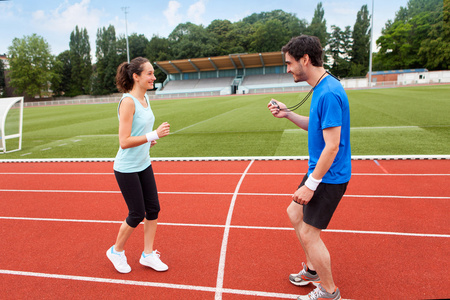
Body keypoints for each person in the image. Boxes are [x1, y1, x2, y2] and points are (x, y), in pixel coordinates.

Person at [268, 35, 351, 300]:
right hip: (321, 171)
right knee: (294, 213)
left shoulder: (327, 92)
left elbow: (332, 146)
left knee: (309, 233)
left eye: (290, 63)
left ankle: (329, 292)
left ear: (305, 59)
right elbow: (316, 126)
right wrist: (289, 114)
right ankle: (313, 271)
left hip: (328, 175)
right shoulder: (321, 87)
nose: (288, 69)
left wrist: (311, 184)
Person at [106, 57, 171, 274]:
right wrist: (153, 134)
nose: (154, 77)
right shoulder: (128, 102)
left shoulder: (145, 99)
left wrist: (148, 140)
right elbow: (124, 141)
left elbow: (137, 134)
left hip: (143, 163)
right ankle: (116, 251)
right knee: (136, 213)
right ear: (136, 76)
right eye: (149, 74)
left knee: (153, 209)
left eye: (153, 73)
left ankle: (148, 254)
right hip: (126, 168)